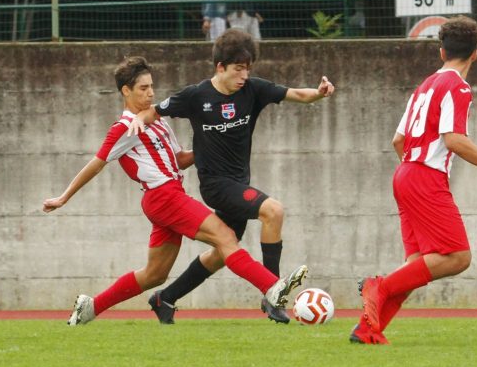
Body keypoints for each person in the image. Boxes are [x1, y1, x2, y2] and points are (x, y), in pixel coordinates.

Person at [42, 56, 307, 326]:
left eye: (151, 86)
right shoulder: (124, 127)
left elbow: (179, 160)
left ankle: (90, 307)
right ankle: (272, 287)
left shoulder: (157, 122)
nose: (151, 93)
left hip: (166, 198)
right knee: (226, 237)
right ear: (126, 91)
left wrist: (211, 142)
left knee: (154, 275)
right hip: (163, 196)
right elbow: (96, 164)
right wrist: (64, 196)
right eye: (143, 88)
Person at [128, 29, 334, 324]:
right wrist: (135, 120)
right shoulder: (196, 96)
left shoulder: (254, 90)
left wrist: (320, 93)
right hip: (215, 185)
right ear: (220, 67)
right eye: (238, 69)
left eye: (248, 69)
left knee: (222, 253)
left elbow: (297, 94)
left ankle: (165, 297)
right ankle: (273, 293)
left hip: (239, 184)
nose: (244, 76)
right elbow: (152, 113)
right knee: (273, 211)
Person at [351, 16, 477, 344]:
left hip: (404, 174)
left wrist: (412, 170)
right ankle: (378, 286)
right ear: (476, 54)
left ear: (441, 51)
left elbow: (397, 141)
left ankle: (367, 331)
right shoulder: (457, 87)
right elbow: (454, 140)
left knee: (417, 264)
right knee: (458, 256)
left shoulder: (423, 87)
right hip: (424, 178)